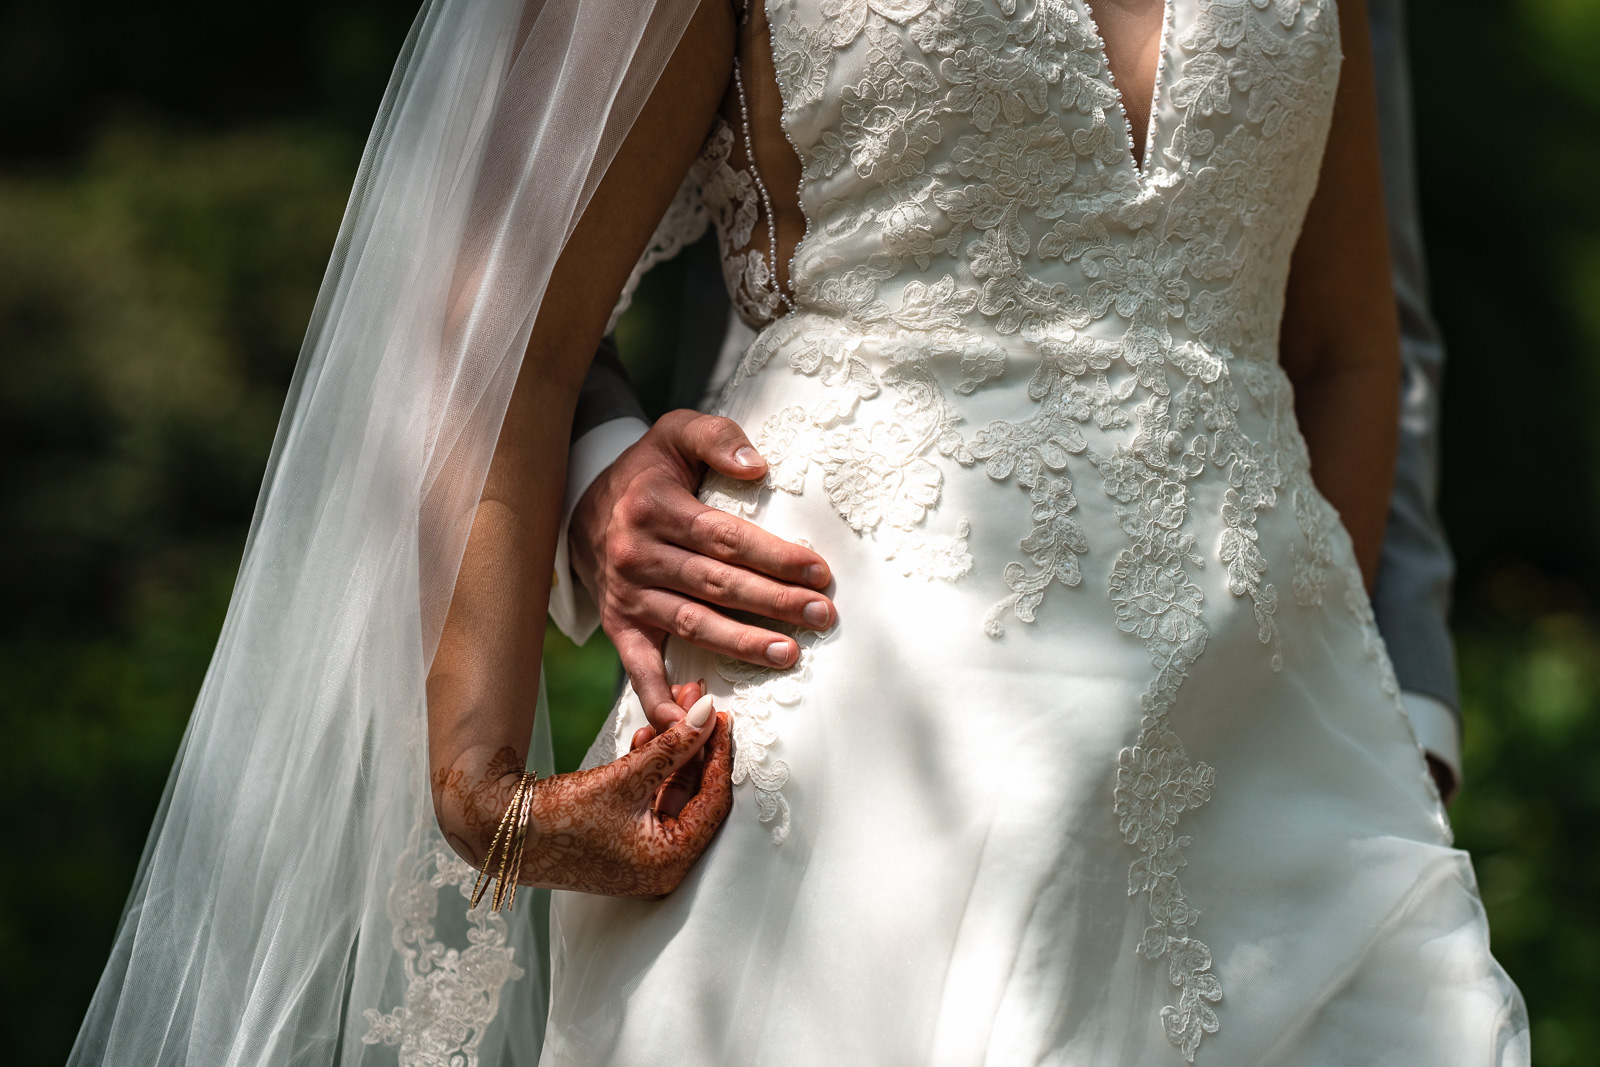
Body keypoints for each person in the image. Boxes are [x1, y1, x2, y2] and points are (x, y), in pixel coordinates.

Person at [75, 0, 1526, 1063]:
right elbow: (502, 303)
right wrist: (479, 783)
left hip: (1285, 791)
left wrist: (1315, 676)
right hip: (854, 750)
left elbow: (1347, 348)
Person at [554, 0, 1465, 800]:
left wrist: (1356, 691)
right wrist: (602, 471)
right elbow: (500, 254)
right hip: (849, 659)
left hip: (1261, 707)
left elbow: (1351, 338)